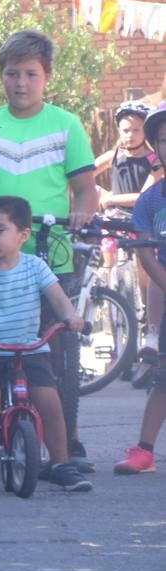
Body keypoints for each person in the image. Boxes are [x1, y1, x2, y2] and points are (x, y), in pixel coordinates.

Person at [0, 30, 98, 487]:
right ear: (1, 76)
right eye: (12, 74)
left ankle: (64, 446)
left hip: (49, 250)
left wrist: (83, 212)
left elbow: (86, 187)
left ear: (46, 77)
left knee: (51, 351)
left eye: (31, 74)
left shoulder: (66, 124)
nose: (21, 82)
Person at [0, 196, 87, 492]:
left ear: (23, 235)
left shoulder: (35, 267)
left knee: (50, 402)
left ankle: (61, 464)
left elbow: (59, 300)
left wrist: (71, 317)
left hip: (31, 348)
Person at [113, 102, 166, 474]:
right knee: (164, 378)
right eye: (165, 140)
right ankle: (144, 449)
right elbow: (147, 255)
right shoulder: (150, 199)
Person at [94, 100, 162, 388]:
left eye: (136, 130)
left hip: (139, 221)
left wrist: (108, 198)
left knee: (147, 276)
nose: (130, 135)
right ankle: (117, 340)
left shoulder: (153, 160)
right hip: (112, 222)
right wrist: (93, 192)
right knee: (110, 275)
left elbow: (142, 197)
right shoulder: (115, 154)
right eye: (125, 130)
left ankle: (150, 328)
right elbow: (84, 173)